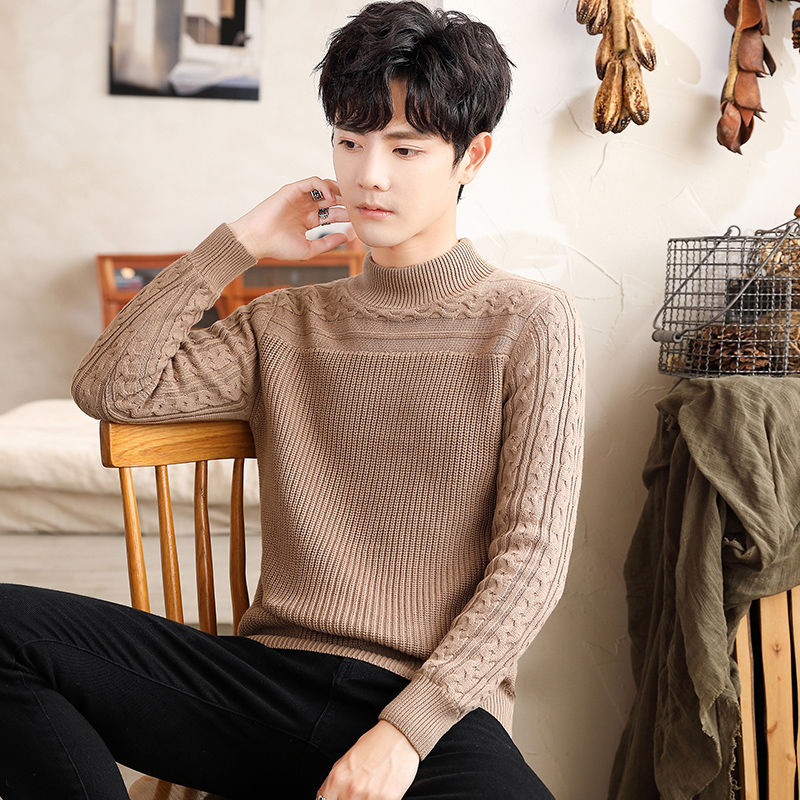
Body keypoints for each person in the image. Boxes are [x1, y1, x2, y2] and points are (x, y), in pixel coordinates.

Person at [0, 2, 585, 798]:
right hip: (263, 690)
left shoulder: (529, 322)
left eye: (405, 148)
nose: (369, 174)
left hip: (429, 714)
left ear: (471, 156)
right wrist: (237, 245)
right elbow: (108, 387)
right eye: (350, 141)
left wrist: (403, 735)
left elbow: (532, 561)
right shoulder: (283, 323)